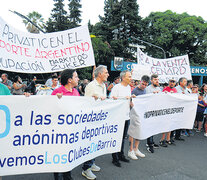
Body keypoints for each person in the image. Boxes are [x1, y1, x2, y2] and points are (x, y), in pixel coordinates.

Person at [51, 69, 80, 180]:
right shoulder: (57, 92)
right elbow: (48, 110)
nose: (78, 79)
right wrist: (55, 100)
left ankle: (68, 176)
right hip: (59, 132)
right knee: (58, 155)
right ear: (69, 80)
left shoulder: (76, 92)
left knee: (69, 154)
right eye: (76, 76)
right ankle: (58, 176)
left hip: (71, 131)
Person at [82, 65, 109, 180]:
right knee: (90, 144)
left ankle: (92, 162)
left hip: (100, 119)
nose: (108, 74)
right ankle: (86, 168)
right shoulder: (91, 86)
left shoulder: (103, 85)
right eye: (106, 72)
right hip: (91, 121)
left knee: (96, 143)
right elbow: (86, 103)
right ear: (100, 74)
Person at [110, 70, 131, 166]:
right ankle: (115, 158)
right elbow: (111, 100)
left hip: (127, 115)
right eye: (129, 77)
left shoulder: (129, 87)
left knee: (123, 137)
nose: (131, 78)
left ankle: (121, 154)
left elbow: (129, 100)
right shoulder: (116, 87)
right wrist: (123, 98)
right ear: (123, 77)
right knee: (117, 137)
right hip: (118, 117)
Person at [128, 75, 150, 160]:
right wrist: (131, 99)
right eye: (143, 84)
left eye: (145, 85)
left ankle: (136, 149)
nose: (144, 86)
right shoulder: (135, 90)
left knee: (139, 131)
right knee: (133, 132)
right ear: (140, 81)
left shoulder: (145, 91)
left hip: (141, 114)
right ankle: (130, 151)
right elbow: (129, 101)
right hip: (133, 113)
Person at [159, 78, 177, 147]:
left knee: (170, 125)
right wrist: (166, 94)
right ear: (169, 82)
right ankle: (162, 139)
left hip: (172, 109)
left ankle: (168, 139)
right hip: (166, 109)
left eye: (173, 82)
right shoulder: (165, 89)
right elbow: (162, 98)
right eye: (171, 82)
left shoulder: (175, 90)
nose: (172, 83)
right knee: (165, 125)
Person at [145, 74, 161, 153]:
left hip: (156, 111)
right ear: (151, 81)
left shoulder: (159, 88)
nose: (157, 81)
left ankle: (152, 141)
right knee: (150, 128)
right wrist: (153, 94)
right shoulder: (148, 88)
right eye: (155, 79)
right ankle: (149, 144)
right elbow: (147, 99)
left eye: (157, 79)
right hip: (150, 111)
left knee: (153, 127)